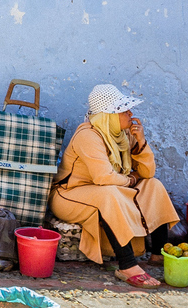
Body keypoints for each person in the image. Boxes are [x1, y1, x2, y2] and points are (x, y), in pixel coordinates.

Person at [49, 84, 178, 288]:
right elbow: (103, 177)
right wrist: (131, 180)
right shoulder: (88, 135)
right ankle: (127, 265)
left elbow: (147, 173)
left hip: (109, 189)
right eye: (124, 110)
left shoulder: (123, 135)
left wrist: (141, 140)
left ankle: (158, 253)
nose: (130, 113)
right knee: (108, 193)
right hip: (69, 196)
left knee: (154, 185)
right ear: (108, 115)